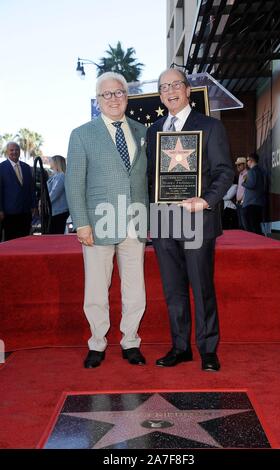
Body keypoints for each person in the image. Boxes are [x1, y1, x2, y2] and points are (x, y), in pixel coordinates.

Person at [146, 68, 234, 372]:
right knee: (173, 289)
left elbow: (225, 172)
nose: (170, 91)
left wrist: (207, 199)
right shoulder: (153, 129)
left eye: (175, 85)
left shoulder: (209, 127)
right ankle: (180, 347)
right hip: (163, 219)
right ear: (160, 94)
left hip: (197, 219)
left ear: (187, 90)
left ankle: (208, 350)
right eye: (164, 87)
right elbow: (149, 178)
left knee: (201, 286)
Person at [65, 72, 148, 369]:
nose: (114, 98)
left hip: (136, 221)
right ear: (98, 100)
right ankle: (97, 343)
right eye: (107, 94)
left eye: (119, 93)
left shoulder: (142, 131)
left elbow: (146, 179)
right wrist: (82, 223)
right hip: (98, 223)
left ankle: (130, 342)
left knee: (135, 288)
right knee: (97, 289)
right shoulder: (82, 134)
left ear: (127, 97)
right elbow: (74, 183)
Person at [0, 142, 36, 241]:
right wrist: (0, 210)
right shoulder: (1, 168)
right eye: (11, 150)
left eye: (17, 150)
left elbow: (31, 188)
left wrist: (33, 205)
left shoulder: (26, 167)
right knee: (10, 240)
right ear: (7, 152)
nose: (14, 152)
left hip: (25, 211)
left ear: (20, 151)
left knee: (25, 239)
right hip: (9, 213)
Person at [242, 153, 265, 235]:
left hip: (251, 203)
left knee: (251, 228)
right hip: (258, 202)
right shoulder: (261, 170)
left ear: (251, 161)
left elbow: (251, 185)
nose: (247, 162)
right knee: (256, 227)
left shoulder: (251, 171)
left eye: (247, 160)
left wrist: (243, 182)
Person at [47, 155, 69, 234]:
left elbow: (54, 192)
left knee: (55, 234)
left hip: (59, 211)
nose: (50, 162)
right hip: (55, 211)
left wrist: (45, 202)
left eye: (51, 160)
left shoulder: (60, 176)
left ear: (56, 163)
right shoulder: (55, 176)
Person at [235, 156, 248, 230]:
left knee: (244, 223)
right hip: (238, 202)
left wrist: (243, 200)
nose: (237, 166)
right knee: (240, 224)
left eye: (239, 164)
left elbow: (246, 189)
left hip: (243, 202)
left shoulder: (247, 174)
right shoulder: (240, 175)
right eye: (237, 165)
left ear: (244, 164)